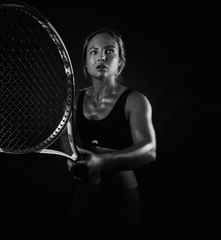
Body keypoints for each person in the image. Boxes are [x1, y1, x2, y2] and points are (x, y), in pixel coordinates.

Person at [64, 27, 156, 237]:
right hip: (85, 196)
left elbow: (149, 150)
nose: (101, 57)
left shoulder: (135, 101)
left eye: (109, 51)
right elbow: (65, 140)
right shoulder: (74, 101)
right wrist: (71, 158)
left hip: (123, 198)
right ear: (86, 64)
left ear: (120, 62)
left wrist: (102, 162)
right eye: (93, 52)